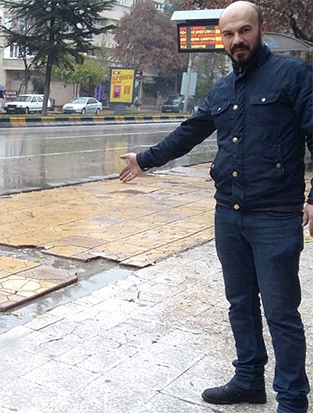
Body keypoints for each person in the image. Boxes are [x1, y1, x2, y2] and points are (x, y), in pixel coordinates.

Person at [118, 2, 312, 412]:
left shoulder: (294, 75)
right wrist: (144, 160)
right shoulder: (222, 89)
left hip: (276, 214)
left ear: (261, 28)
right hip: (229, 212)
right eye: (228, 34)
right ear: (221, 38)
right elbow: (189, 132)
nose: (237, 40)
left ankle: (293, 399)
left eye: (244, 30)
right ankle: (248, 380)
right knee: (240, 302)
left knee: (280, 312)